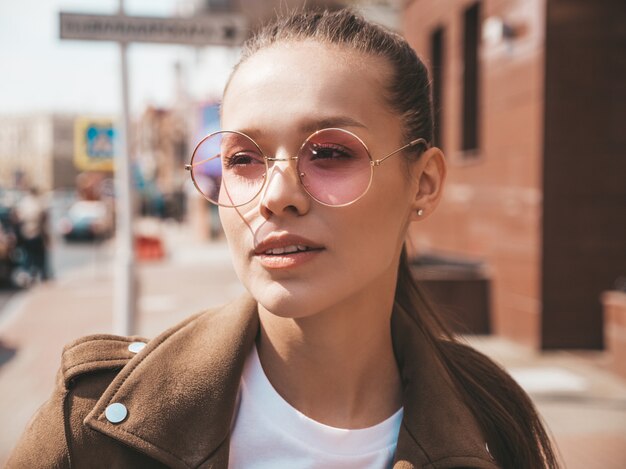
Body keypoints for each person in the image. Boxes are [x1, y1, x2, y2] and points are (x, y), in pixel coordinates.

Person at [8, 9, 559, 469]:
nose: (276, 195)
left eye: (330, 152)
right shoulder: (92, 425)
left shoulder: (491, 419)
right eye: (242, 159)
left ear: (425, 181)